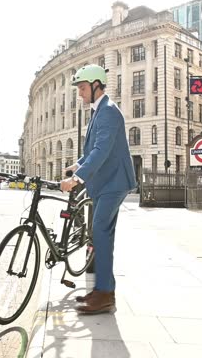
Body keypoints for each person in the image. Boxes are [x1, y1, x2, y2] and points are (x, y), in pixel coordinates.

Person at [60, 64, 136, 315]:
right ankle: (104, 291)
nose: (79, 94)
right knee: (103, 234)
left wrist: (77, 178)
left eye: (82, 88)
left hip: (114, 182)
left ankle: (104, 293)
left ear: (96, 86)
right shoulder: (100, 111)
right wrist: (77, 165)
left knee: (100, 231)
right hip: (108, 182)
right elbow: (93, 151)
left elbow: (102, 151)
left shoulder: (109, 112)